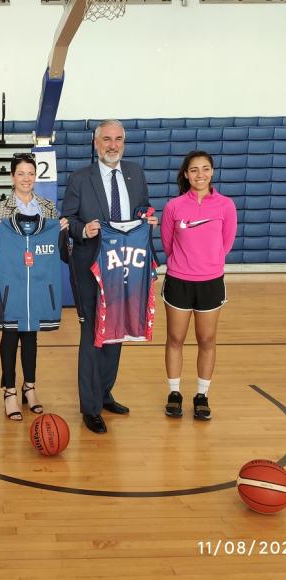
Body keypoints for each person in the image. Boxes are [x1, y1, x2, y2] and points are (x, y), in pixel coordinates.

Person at [62, 119, 158, 434]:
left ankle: (103, 393)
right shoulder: (79, 179)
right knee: (93, 336)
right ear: (96, 143)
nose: (112, 145)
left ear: (124, 143)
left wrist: (148, 216)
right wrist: (82, 229)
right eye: (106, 139)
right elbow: (68, 220)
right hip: (90, 267)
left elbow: (142, 208)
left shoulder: (136, 173)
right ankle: (89, 407)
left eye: (118, 139)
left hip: (125, 266)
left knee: (116, 331)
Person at [160, 150, 237, 421]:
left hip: (211, 283)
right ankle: (174, 393)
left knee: (206, 340)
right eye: (194, 170)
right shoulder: (174, 206)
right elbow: (168, 245)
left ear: (212, 172)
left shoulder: (226, 206)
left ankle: (202, 395)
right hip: (179, 281)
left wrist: (208, 263)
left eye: (205, 169)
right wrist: (185, 264)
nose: (200, 174)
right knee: (175, 339)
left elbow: (226, 244)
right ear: (185, 174)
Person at [0, 153, 64, 421]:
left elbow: (59, 248)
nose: (26, 179)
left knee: (31, 336)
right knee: (9, 336)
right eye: (21, 173)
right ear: (12, 177)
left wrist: (62, 229)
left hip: (38, 283)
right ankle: (9, 391)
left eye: (31, 173)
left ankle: (29, 387)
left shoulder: (49, 208)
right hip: (13, 282)